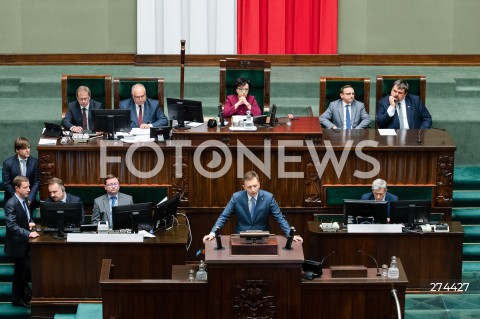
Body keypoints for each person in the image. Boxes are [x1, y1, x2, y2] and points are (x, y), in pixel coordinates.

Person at [203, 171, 303, 243]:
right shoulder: (236, 197)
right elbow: (224, 217)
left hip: (263, 238)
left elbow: (280, 218)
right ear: (244, 187)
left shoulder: (269, 197)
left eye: (255, 185)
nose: (253, 189)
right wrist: (212, 233)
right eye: (249, 187)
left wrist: (290, 235)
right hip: (241, 238)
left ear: (259, 184)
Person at [4, 175, 40, 308]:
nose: (29, 190)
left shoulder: (24, 200)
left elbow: (26, 216)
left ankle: (22, 295)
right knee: (20, 274)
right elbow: (11, 226)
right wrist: (28, 233)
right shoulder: (11, 203)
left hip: (23, 244)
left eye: (29, 186)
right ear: (17, 188)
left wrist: (30, 222)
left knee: (22, 272)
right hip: (16, 246)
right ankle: (17, 299)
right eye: (25, 187)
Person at [2, 137, 40, 210]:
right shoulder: (7, 163)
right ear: (17, 150)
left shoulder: (35, 162)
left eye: (28, 147)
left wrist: (30, 198)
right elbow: (6, 183)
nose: (27, 150)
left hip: (29, 200)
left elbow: (36, 182)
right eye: (24, 149)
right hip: (12, 199)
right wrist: (17, 197)